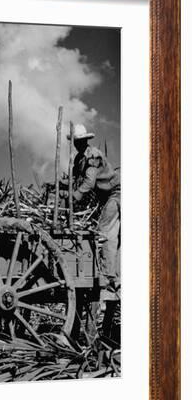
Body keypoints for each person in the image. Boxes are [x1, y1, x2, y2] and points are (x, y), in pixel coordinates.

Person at [66, 124, 121, 298]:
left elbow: (88, 183)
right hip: (108, 197)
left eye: (81, 141)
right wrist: (57, 187)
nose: (78, 144)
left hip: (117, 193)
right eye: (76, 142)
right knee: (112, 234)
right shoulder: (79, 159)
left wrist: (73, 197)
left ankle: (108, 276)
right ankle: (114, 275)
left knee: (105, 231)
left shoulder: (93, 156)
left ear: (86, 141)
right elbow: (73, 180)